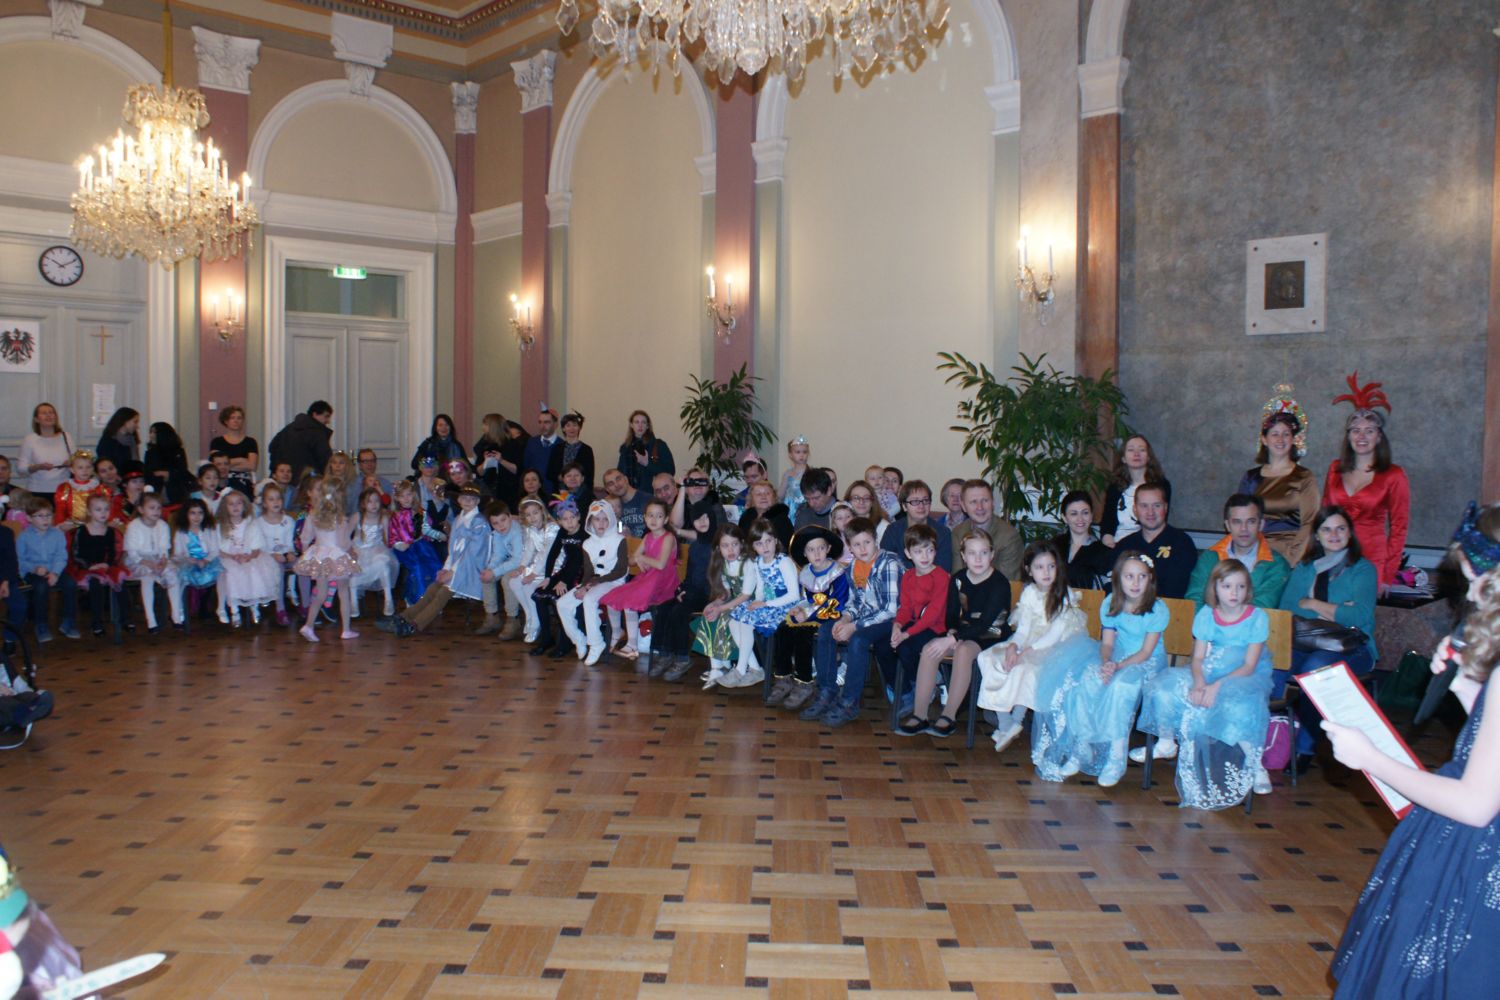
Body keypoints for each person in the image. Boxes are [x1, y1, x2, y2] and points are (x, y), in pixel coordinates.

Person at [1325, 506, 1500, 997]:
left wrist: (1370, 758)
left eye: (1475, 582)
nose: (1470, 595)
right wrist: (1469, 689)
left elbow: (1476, 804)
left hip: (1479, 856)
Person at [1136, 560, 1275, 806]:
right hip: (1211, 668)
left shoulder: (1257, 617)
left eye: (1240, 586)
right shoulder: (1207, 615)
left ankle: (1255, 765)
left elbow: (1249, 665)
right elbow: (1198, 658)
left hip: (1242, 674)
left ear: (1248, 589)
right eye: (1227, 586)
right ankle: (1166, 742)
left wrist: (1216, 686)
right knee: (1164, 688)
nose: (1234, 592)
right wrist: (1199, 683)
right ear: (1215, 588)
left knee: (1238, 706)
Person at [1034, 550, 1169, 787]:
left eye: (1142, 577)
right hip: (1116, 656)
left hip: (1145, 662)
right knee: (1087, 679)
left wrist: (1118, 667)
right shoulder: (1110, 603)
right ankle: (1082, 746)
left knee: (1121, 687)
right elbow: (1107, 644)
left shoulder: (1157, 608)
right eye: (1129, 576)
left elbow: (1146, 652)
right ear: (1118, 578)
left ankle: (1115, 757)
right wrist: (1107, 662)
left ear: (1150, 579)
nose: (1135, 583)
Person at [1276, 505, 1378, 773]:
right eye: (1327, 529)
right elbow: (1287, 608)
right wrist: (1337, 609)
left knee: (1315, 668)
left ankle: (1304, 748)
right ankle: (1269, 740)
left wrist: (1311, 603)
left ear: (1350, 533)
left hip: (1353, 645)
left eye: (1340, 528)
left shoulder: (1363, 569)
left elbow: (1359, 615)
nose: (1334, 535)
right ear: (1317, 536)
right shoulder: (1305, 568)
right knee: (1273, 663)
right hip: (1305, 641)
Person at [974, 540, 1083, 753]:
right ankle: (1005, 723)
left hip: (1055, 646)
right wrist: (1013, 646)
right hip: (1029, 641)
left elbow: (1054, 635)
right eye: (1039, 567)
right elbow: (1023, 630)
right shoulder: (1029, 592)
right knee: (988, 658)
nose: (1046, 572)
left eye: (1051, 566)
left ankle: (1017, 719)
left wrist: (1024, 652)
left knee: (1023, 667)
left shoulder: (1065, 594)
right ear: (1029, 570)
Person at [904, 531, 1012, 740]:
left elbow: (985, 623)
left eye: (983, 553)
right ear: (963, 556)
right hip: (963, 632)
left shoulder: (999, 583)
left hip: (991, 634)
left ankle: (949, 714)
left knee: (963, 651)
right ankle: (920, 714)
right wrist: (952, 631)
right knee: (930, 649)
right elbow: (951, 614)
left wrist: (954, 638)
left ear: (992, 554)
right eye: (972, 553)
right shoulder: (958, 579)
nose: (978, 559)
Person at [810, 518, 902, 728]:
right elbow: (855, 602)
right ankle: (827, 690)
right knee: (826, 630)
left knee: (858, 640)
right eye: (857, 545)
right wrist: (845, 618)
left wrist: (854, 626)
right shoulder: (852, 567)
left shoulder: (889, 563)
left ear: (876, 540)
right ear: (849, 547)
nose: (863, 549)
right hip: (868, 617)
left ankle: (850, 701)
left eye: (867, 542)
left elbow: (890, 610)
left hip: (893, 620)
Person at [1322, 375, 1410, 589]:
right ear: (1348, 436)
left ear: (1378, 437)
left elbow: (1399, 527)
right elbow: (1323, 516)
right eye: (1356, 430)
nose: (1361, 436)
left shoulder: (1394, 475)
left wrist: (1388, 574)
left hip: (1372, 560)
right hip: (1334, 556)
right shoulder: (1335, 469)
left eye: (1369, 431)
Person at [385, 485, 487, 638]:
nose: (467, 501)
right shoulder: (459, 519)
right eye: (464, 498)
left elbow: (473, 553)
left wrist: (452, 572)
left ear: (477, 502)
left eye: (472, 499)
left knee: (442, 594)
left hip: (469, 569)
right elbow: (453, 549)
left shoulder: (479, 523)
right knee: (432, 589)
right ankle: (404, 616)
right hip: (456, 567)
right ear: (459, 500)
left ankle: (415, 624)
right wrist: (446, 568)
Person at [768, 525, 849, 711]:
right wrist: (799, 608)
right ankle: (783, 677)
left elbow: (838, 603)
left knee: (803, 634)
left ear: (828, 548)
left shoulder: (837, 572)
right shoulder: (806, 572)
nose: (817, 553)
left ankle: (804, 681)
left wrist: (808, 614)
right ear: (805, 553)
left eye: (821, 548)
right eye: (811, 550)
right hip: (810, 612)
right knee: (783, 628)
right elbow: (806, 598)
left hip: (831, 615)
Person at [888, 525, 952, 734]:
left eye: (929, 550)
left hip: (936, 627)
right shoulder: (908, 576)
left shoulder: (941, 576)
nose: (924, 556)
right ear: (908, 554)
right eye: (918, 551)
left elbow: (933, 614)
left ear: (935, 551)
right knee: (894, 645)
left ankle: (926, 684)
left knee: (907, 646)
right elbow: (905, 608)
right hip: (916, 624)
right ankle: (923, 683)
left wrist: (906, 634)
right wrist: (897, 626)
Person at [721, 520, 800, 688]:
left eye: (768, 541)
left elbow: (794, 595)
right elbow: (761, 586)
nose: (765, 547)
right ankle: (755, 668)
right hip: (767, 604)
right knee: (734, 620)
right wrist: (757, 601)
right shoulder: (758, 562)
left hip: (786, 606)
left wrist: (765, 603)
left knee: (747, 622)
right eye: (759, 543)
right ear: (753, 546)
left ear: (776, 541)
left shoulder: (783, 561)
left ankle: (740, 669)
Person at [649, 496, 720, 682]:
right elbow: (691, 573)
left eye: (705, 517)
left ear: (712, 517)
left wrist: (690, 592)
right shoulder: (696, 546)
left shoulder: (718, 546)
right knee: (664, 606)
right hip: (693, 591)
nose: (702, 522)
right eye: (697, 519)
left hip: (710, 595)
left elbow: (713, 579)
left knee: (680, 611)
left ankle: (682, 657)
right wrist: (681, 589)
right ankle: (664, 653)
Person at [603, 499, 680, 661]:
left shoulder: (668, 538)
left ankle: (632, 645)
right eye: (650, 515)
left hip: (663, 581)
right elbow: (631, 561)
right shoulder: (648, 537)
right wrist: (637, 558)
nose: (654, 519)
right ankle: (617, 632)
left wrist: (641, 557)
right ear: (644, 517)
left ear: (666, 519)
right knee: (612, 598)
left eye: (659, 516)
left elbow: (660, 564)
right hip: (648, 578)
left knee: (630, 602)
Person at [1238, 408, 1318, 564]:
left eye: (1286, 434)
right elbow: (1241, 518)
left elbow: (1310, 522)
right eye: (1275, 434)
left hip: (1291, 552)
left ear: (1293, 439)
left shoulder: (1304, 477)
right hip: (1255, 552)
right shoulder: (1251, 478)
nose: (1280, 439)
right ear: (1264, 440)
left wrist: (1291, 558)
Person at [1186, 493, 1291, 610]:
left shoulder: (1276, 565)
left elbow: (1261, 607)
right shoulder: (1209, 558)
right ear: (1227, 525)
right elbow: (1194, 600)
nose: (1244, 529)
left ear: (1261, 524)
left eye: (1251, 521)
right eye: (1237, 522)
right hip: (1208, 621)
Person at [556, 500, 629, 665]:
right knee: (562, 604)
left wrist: (590, 586)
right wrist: (583, 586)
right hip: (594, 582)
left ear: (611, 519)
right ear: (590, 521)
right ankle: (579, 639)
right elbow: (588, 572)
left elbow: (621, 570)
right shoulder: (588, 544)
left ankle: (596, 643)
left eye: (605, 519)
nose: (601, 523)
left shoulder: (619, 539)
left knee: (589, 599)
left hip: (614, 582)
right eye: (597, 519)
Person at [293, 480, 359, 642]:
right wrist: (351, 552)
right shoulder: (339, 518)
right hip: (337, 557)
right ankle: (346, 630)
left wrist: (307, 555)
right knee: (343, 592)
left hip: (320, 556)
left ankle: (308, 625)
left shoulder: (313, 514)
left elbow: (305, 538)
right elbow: (343, 542)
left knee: (320, 594)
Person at [1112, 484, 1199, 599]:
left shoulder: (1182, 543)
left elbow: (1177, 591)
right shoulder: (1124, 546)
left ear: (1166, 508)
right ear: (1135, 510)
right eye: (1144, 506)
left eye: (1157, 505)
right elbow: (1115, 588)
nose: (1150, 512)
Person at [527, 496, 587, 658]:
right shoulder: (562, 532)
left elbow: (578, 561)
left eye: (572, 517)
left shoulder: (584, 534)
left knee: (557, 599)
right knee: (539, 595)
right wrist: (548, 577)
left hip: (580, 574)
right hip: (565, 571)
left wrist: (564, 582)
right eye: (565, 519)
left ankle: (565, 642)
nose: (569, 522)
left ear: (579, 517)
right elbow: (552, 554)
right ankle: (546, 638)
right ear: (559, 522)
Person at [692, 526, 752, 683]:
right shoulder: (724, 564)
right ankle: (717, 666)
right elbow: (726, 592)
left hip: (749, 603)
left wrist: (721, 608)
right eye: (725, 546)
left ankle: (725, 665)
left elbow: (745, 595)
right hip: (734, 602)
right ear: (718, 548)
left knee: (723, 618)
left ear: (742, 544)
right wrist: (715, 603)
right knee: (709, 616)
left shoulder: (747, 563)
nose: (730, 550)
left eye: (734, 544)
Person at [217, 490, 282, 626]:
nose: (235, 507)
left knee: (254, 571)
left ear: (244, 505)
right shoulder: (221, 526)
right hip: (229, 558)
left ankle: (254, 606)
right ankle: (234, 610)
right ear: (225, 507)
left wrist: (249, 557)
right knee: (231, 573)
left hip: (249, 557)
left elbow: (257, 548)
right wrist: (233, 557)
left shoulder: (251, 524)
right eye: (231, 504)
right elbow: (219, 549)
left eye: (238, 503)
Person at [17, 499, 79, 641]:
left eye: (48, 515)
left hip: (54, 570)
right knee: (41, 587)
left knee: (70, 584)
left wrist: (55, 573)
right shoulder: (24, 537)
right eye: (40, 516)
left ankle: (68, 622)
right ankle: (41, 624)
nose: (45, 519)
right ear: (29, 518)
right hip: (33, 572)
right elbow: (20, 560)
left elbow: (61, 556)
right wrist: (34, 569)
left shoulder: (57, 534)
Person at [1101, 434, 1171, 547]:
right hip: (1117, 545)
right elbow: (1107, 524)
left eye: (1141, 450)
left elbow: (1160, 522)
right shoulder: (1115, 487)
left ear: (1148, 457)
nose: (1136, 454)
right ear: (1123, 458)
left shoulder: (1161, 486)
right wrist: (1110, 545)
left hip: (1149, 544)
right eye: (1131, 450)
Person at [505, 498, 558, 644]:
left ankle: (535, 622)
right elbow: (529, 550)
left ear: (542, 511)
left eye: (535, 513)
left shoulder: (552, 528)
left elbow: (546, 553)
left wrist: (533, 574)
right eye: (528, 515)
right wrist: (522, 567)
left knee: (528, 586)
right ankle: (530, 614)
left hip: (553, 566)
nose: (532, 517)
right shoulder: (531, 529)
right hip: (539, 565)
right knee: (514, 582)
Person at [950, 480, 1024, 582]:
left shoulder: (1009, 537)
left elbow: (1006, 583)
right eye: (973, 502)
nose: (980, 507)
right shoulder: (958, 533)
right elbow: (957, 577)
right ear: (963, 506)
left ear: (993, 503)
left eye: (985, 500)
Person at [387, 479, 445, 608]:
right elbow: (392, 535)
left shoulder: (420, 512)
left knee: (435, 565)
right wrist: (399, 545)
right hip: (405, 549)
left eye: (408, 494)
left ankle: (433, 599)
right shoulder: (396, 515)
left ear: (413, 494)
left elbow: (426, 529)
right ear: (397, 498)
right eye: (402, 496)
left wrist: (438, 535)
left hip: (422, 545)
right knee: (417, 567)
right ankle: (415, 599)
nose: (406, 498)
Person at [881, 480, 953, 572]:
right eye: (915, 501)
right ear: (904, 506)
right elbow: (885, 563)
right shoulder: (893, 530)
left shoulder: (942, 532)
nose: (921, 506)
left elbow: (944, 568)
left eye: (925, 500)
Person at [348, 488, 398, 618]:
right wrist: (350, 551)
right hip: (358, 550)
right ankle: (353, 603)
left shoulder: (383, 518)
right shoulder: (357, 517)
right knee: (354, 569)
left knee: (383, 564)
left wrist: (388, 546)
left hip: (376, 549)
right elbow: (345, 536)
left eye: (376, 501)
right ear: (363, 504)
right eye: (369, 501)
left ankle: (388, 600)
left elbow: (387, 539)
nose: (374, 504)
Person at [172, 498, 222, 619]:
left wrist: (206, 560)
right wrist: (189, 559)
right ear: (186, 514)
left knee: (217, 574)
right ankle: (179, 610)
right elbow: (178, 553)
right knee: (179, 578)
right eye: (193, 513)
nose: (197, 517)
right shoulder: (181, 532)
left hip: (207, 561)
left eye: (200, 513)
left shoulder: (209, 529)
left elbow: (215, 550)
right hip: (189, 562)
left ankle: (208, 607)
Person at [1052, 490, 1112, 590]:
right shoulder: (1054, 546)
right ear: (1064, 518)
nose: (1080, 519)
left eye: (1085, 513)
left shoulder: (1103, 553)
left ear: (1091, 515)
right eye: (1074, 514)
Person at [254, 483, 296, 625]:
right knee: (278, 569)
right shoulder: (259, 523)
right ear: (264, 504)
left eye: (278, 498)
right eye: (271, 499)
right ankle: (280, 609)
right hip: (268, 557)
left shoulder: (288, 521)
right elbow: (260, 545)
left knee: (302, 566)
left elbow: (289, 542)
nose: (276, 502)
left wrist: (290, 552)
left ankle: (306, 605)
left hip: (285, 554)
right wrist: (273, 555)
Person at [268, 401, 334, 486]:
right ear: (315, 414)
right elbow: (325, 458)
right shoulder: (317, 433)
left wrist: (276, 470)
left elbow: (272, 447)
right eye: (326, 416)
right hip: (306, 481)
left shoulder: (289, 428)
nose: (328, 421)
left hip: (283, 479)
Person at [18, 403, 74, 496]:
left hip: (63, 490)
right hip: (37, 490)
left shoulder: (66, 436)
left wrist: (70, 463)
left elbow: (76, 461)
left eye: (51, 412)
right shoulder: (30, 439)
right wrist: (38, 467)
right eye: (44, 413)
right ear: (36, 419)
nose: (48, 415)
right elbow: (21, 469)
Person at [617, 410, 675, 493]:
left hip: (651, 495)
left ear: (647, 426)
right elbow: (620, 473)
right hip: (628, 494)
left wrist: (647, 464)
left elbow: (670, 471)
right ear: (631, 425)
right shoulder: (625, 448)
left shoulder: (659, 445)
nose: (640, 425)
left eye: (643, 422)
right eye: (637, 422)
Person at [209, 405, 260, 497]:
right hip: (221, 482)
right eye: (232, 418)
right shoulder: (217, 442)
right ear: (226, 421)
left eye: (239, 418)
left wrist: (226, 464)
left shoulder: (250, 442)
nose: (236, 421)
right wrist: (241, 460)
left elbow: (252, 466)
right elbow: (216, 465)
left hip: (244, 483)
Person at [52, 451, 106, 531]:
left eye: (88, 467)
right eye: (80, 467)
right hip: (71, 528)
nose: (85, 470)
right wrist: (60, 526)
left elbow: (105, 510)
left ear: (92, 469)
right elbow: (60, 512)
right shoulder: (65, 488)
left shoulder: (99, 488)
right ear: (72, 469)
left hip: (94, 527)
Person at [144, 421, 194, 505]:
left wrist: (168, 474)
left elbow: (183, 472)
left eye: (154, 432)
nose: (151, 435)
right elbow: (148, 473)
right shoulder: (150, 452)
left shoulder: (178, 452)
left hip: (175, 493)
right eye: (150, 432)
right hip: (156, 493)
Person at [547, 412, 595, 498]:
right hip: (559, 492)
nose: (571, 428)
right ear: (563, 429)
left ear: (579, 428)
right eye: (568, 425)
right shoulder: (556, 449)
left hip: (580, 493)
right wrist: (562, 478)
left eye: (575, 425)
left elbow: (589, 476)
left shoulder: (587, 450)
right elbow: (549, 472)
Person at [735, 480, 793, 547]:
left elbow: (785, 547)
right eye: (758, 494)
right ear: (751, 499)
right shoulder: (746, 517)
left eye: (767, 493)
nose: (763, 497)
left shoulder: (781, 520)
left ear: (774, 497)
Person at [522, 406, 561, 496]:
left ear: (555, 424)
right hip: (534, 493)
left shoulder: (561, 445)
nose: (542, 426)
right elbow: (526, 467)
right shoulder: (531, 442)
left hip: (554, 494)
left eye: (546, 422)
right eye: (540, 422)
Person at [602, 468, 650, 538]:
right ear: (607, 489)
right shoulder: (608, 506)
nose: (616, 485)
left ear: (626, 479)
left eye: (618, 479)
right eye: (611, 483)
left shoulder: (648, 499)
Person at [94, 407, 140, 474]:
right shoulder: (108, 441)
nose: (137, 426)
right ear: (125, 421)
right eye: (135, 422)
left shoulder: (132, 440)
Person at [779, 436, 812, 522]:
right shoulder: (788, 474)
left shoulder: (811, 473)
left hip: (806, 507)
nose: (801, 455)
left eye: (804, 452)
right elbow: (781, 495)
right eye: (798, 452)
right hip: (791, 508)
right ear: (790, 455)